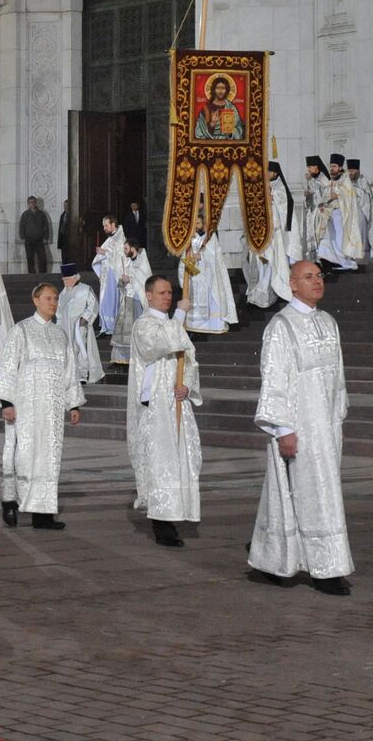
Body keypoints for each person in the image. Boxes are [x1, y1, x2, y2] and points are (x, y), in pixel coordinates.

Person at [249, 262, 353, 594]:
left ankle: (275, 557)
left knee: (313, 492)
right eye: (308, 277)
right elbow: (275, 377)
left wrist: (338, 417)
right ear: (292, 285)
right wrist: (282, 428)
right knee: (305, 493)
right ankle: (325, 569)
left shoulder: (328, 322)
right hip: (299, 425)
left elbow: (338, 377)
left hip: (326, 425)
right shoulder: (282, 326)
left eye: (320, 276)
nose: (317, 282)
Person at [0, 281, 85, 529]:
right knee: (22, 455)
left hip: (52, 410)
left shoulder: (61, 334)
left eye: (56, 299)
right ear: (36, 300)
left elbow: (70, 371)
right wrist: (7, 402)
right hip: (26, 407)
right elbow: (9, 367)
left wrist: (73, 404)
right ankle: (11, 503)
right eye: (48, 298)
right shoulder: (21, 331)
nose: (53, 303)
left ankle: (42, 515)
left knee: (49, 458)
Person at [127, 274, 202, 548]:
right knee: (161, 463)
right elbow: (158, 345)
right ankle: (161, 522)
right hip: (157, 406)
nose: (168, 297)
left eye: (170, 293)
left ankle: (177, 511)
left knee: (183, 459)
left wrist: (187, 386)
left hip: (176, 402)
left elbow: (189, 358)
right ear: (148, 296)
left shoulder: (173, 325)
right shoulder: (143, 325)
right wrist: (181, 313)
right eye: (161, 293)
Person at [246, 162, 298, 309]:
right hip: (261, 233)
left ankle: (265, 292)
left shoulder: (280, 188)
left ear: (275, 173)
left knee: (272, 262)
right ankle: (260, 291)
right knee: (262, 262)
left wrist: (271, 196)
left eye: (268, 172)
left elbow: (283, 208)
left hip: (274, 235)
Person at [57, 263, 103, 385]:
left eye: (67, 279)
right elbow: (59, 311)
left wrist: (85, 318)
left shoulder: (85, 289)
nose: (65, 282)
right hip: (66, 325)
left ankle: (82, 374)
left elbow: (93, 305)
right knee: (68, 349)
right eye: (64, 280)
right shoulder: (62, 294)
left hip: (80, 325)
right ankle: (72, 373)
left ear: (75, 278)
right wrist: (58, 325)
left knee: (80, 347)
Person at [182, 229, 236, 334]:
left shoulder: (211, 238)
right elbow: (185, 257)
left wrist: (201, 256)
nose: (196, 226)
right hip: (195, 276)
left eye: (198, 223)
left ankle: (214, 325)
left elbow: (214, 256)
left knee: (213, 300)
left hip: (210, 277)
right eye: (195, 223)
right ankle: (196, 326)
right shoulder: (191, 238)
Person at [93, 215, 127, 335]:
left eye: (106, 225)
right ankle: (105, 327)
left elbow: (121, 256)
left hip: (114, 275)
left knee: (111, 299)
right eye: (103, 226)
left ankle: (112, 327)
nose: (104, 228)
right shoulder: (110, 239)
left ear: (113, 225)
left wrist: (105, 252)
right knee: (104, 300)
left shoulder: (120, 238)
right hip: (107, 274)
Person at [18, 196, 51, 274]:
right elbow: (21, 226)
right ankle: (31, 274)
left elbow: (46, 226)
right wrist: (22, 237)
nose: (33, 204)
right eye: (31, 202)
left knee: (42, 258)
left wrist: (46, 237)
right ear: (28, 204)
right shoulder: (25, 214)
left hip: (39, 240)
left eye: (34, 202)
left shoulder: (42, 214)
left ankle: (43, 274)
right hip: (28, 240)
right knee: (30, 258)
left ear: (36, 203)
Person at [56, 199, 73, 268]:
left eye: (67, 206)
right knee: (64, 259)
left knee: (70, 259)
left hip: (70, 241)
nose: (65, 207)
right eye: (64, 206)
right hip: (63, 241)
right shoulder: (63, 215)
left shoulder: (72, 215)